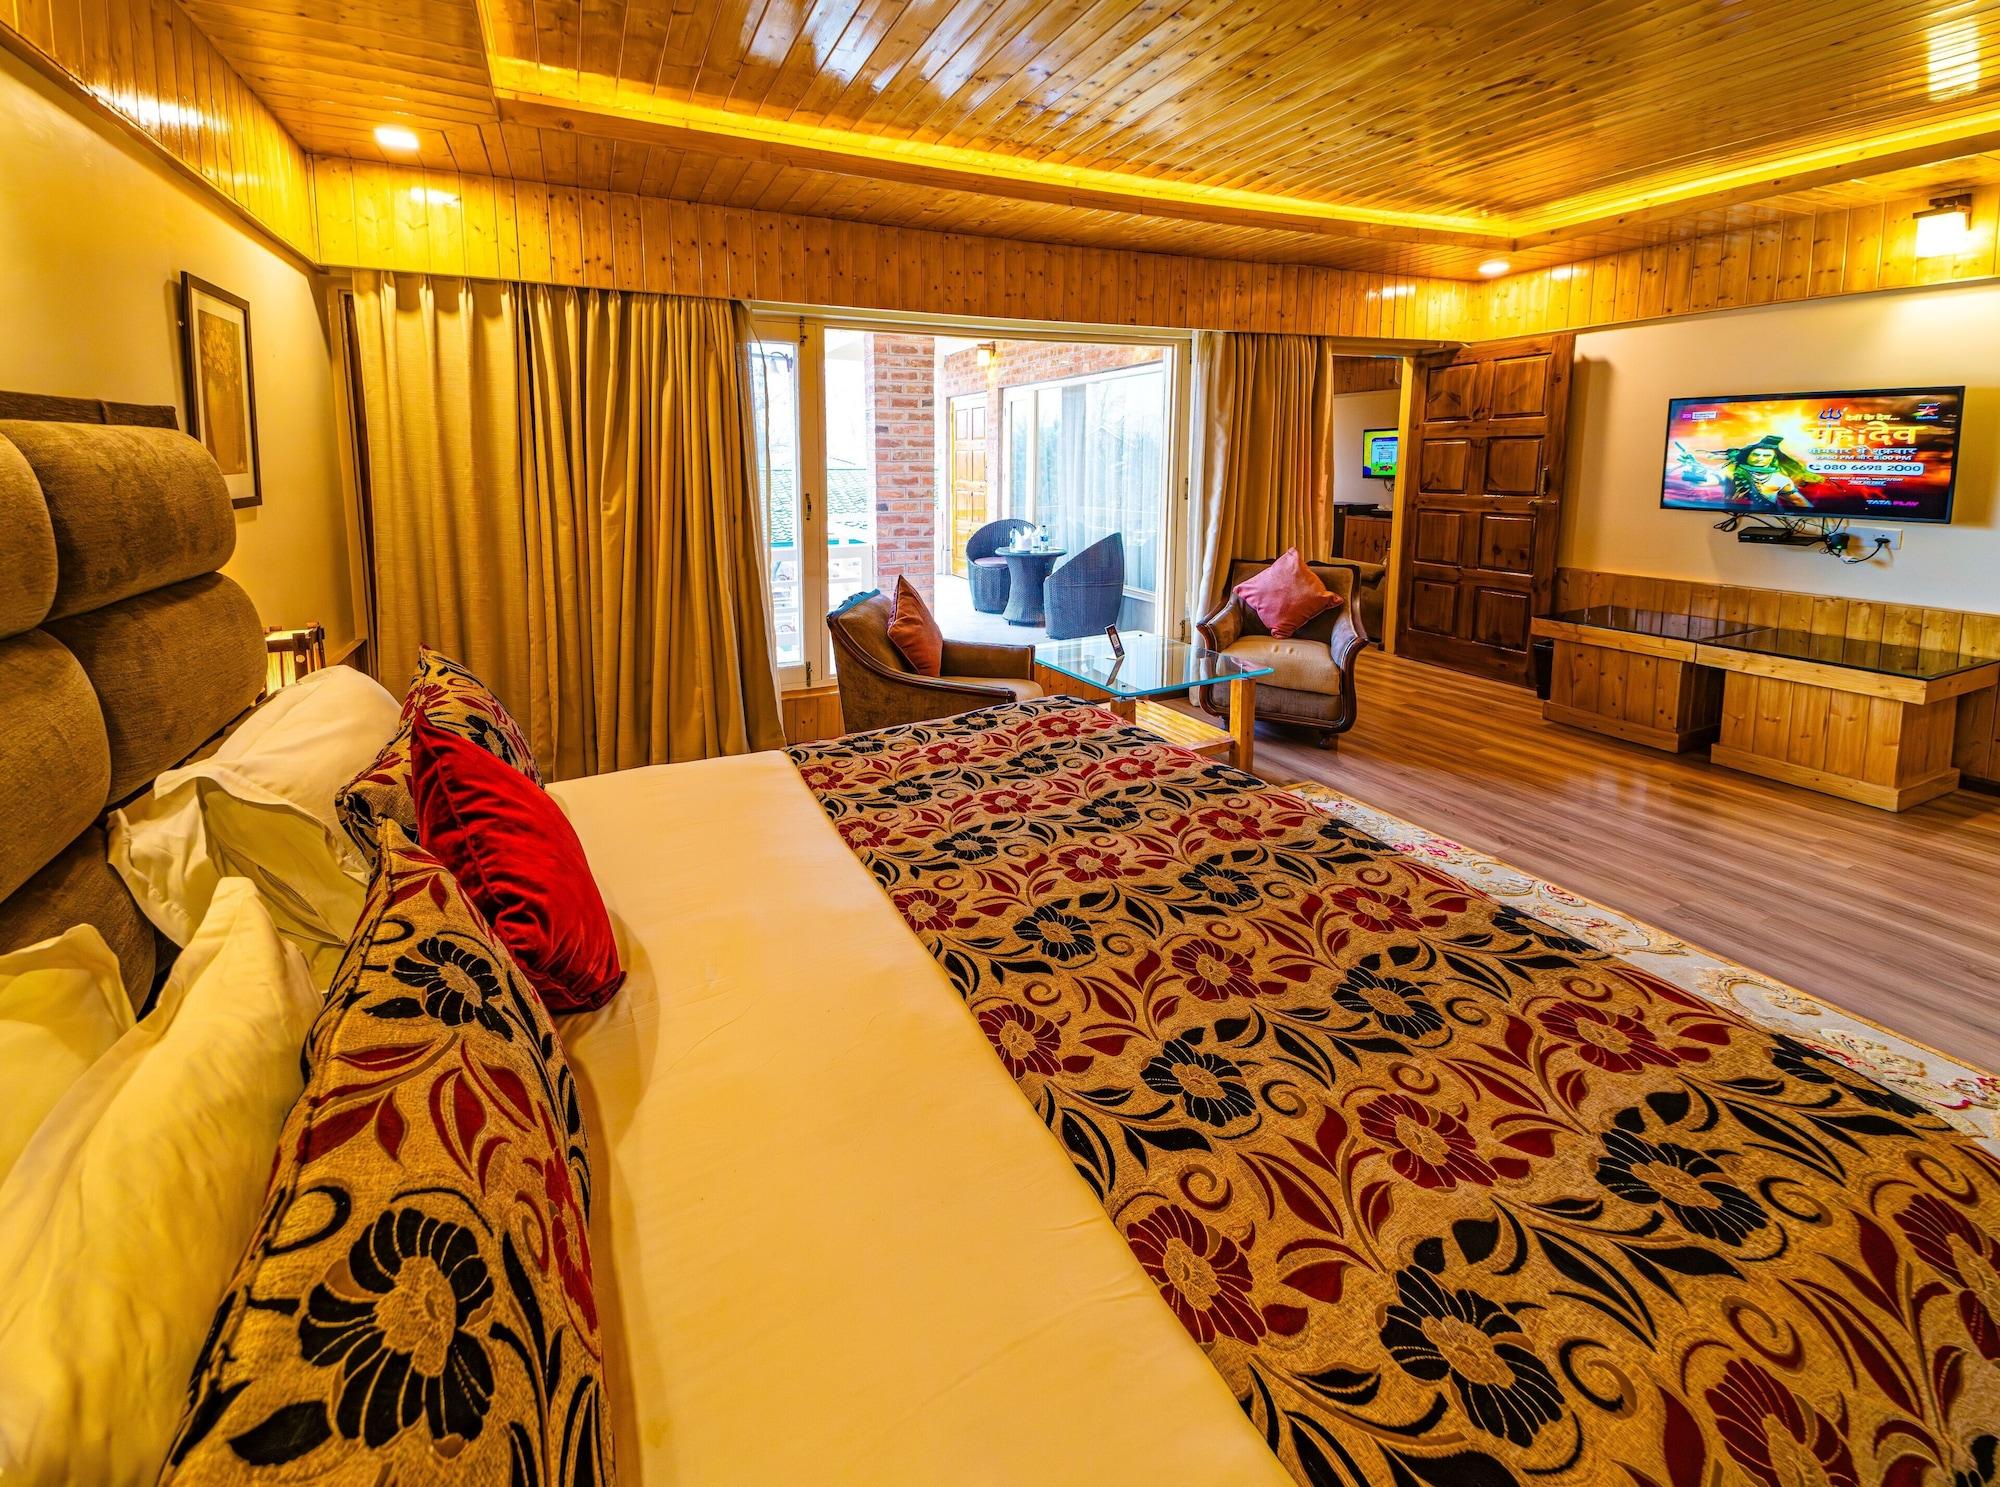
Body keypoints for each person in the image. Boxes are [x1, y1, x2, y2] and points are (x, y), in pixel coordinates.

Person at [1673, 433, 1820, 509]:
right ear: (1748, 456)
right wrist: (1691, 467)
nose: (1760, 459)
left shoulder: (1781, 480)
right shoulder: (1732, 471)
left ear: (1772, 459)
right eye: (1756, 454)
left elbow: (1800, 502)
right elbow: (1705, 480)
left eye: (1766, 456)